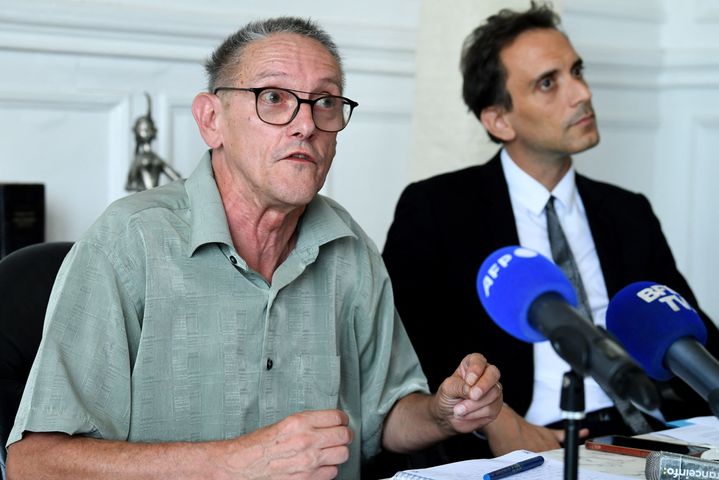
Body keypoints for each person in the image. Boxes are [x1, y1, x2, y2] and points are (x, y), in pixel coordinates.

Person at [4, 17, 504, 480]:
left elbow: (385, 416)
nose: (306, 123)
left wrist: (443, 413)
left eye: (325, 101)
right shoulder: (130, 242)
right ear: (211, 120)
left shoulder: (350, 248)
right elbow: (34, 463)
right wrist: (237, 460)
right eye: (274, 98)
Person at [382, 1, 719, 465]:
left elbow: (690, 336)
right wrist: (496, 421)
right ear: (499, 119)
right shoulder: (437, 209)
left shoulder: (627, 211)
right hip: (526, 444)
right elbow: (405, 353)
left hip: (651, 435)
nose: (581, 92)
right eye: (548, 83)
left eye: (576, 71)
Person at [125, 92, 182, 192]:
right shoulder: (139, 159)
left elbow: (176, 178)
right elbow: (129, 185)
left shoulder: (156, 158)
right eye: (143, 130)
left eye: (148, 129)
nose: (146, 132)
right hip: (142, 200)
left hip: (156, 199)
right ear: (137, 132)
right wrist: (145, 190)